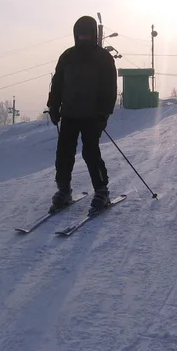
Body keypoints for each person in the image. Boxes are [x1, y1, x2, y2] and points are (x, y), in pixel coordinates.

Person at [46, 15, 118, 211]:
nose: (83, 37)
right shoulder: (67, 56)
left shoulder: (103, 58)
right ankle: (64, 190)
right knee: (64, 153)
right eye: (80, 34)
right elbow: (58, 84)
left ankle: (102, 191)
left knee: (90, 153)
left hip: (92, 116)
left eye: (87, 34)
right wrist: (53, 107)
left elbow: (110, 88)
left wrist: (104, 114)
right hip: (69, 113)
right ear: (75, 34)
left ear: (93, 34)